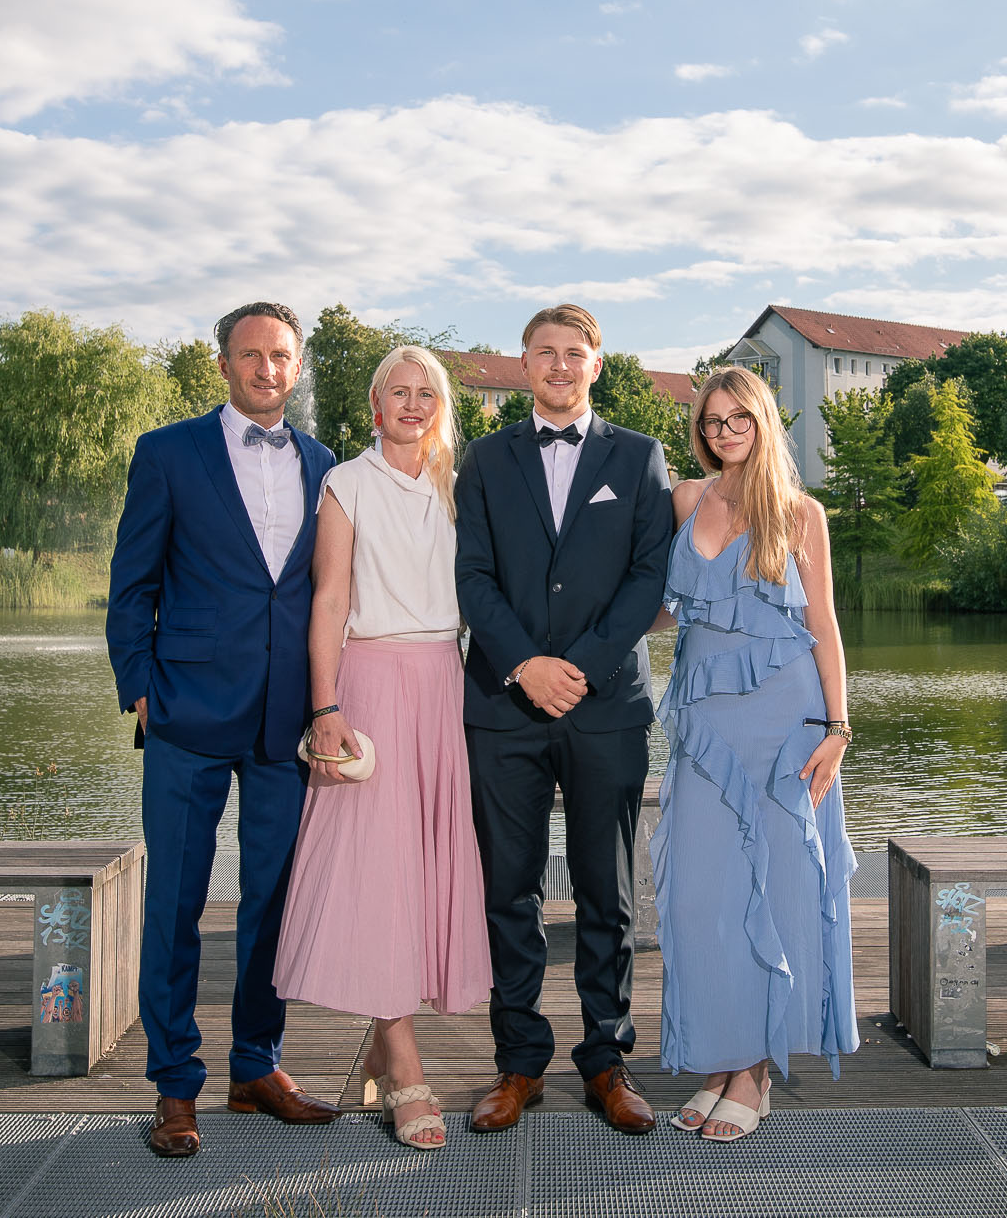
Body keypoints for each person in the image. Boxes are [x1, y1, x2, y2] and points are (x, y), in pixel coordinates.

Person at [107, 301, 343, 1159]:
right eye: (251, 355)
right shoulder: (168, 452)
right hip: (186, 712)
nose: (267, 369)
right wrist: (140, 688)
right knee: (174, 903)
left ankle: (256, 1066)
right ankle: (175, 1084)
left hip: (286, 720)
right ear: (224, 364)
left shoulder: (326, 465)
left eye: (281, 356)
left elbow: (324, 591)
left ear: (297, 365)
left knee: (272, 902)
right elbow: (132, 581)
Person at [456, 303, 674, 1136]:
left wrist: (577, 667)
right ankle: (519, 1062)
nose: (558, 364)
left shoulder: (639, 455)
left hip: (604, 702)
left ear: (596, 363)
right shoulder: (484, 459)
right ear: (523, 363)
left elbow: (649, 576)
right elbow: (472, 576)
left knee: (605, 889)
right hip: (503, 704)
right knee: (507, 888)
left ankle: (607, 1060)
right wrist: (525, 665)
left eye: (573, 351)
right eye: (544, 351)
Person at [272, 346, 491, 1149]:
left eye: (425, 391)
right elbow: (328, 599)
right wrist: (325, 705)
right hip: (369, 682)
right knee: (378, 870)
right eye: (397, 391)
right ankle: (402, 1060)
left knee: (423, 869)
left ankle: (383, 1040)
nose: (412, 403)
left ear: (441, 406)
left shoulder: (457, 486)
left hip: (442, 681)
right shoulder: (346, 483)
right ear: (374, 404)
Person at [653, 364, 857, 1142]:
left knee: (774, 892)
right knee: (701, 894)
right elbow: (665, 606)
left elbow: (824, 624)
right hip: (706, 725)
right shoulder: (684, 498)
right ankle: (722, 1054)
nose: (724, 431)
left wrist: (838, 728)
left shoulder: (802, 513)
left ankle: (752, 1070)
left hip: (785, 723)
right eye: (712, 420)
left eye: (739, 417)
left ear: (764, 420)